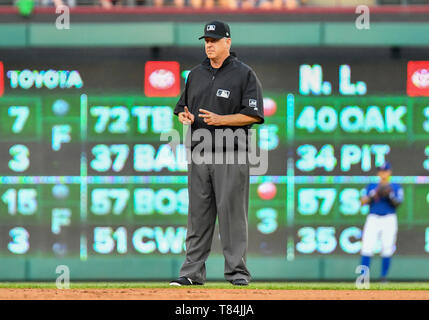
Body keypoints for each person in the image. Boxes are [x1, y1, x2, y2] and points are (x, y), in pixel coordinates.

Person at [169, 20, 264, 286]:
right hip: (199, 154)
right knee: (198, 216)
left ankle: (237, 273)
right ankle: (191, 273)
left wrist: (222, 120)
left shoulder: (244, 74)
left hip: (231, 153)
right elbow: (181, 109)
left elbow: (254, 115)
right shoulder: (196, 74)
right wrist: (184, 117)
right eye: (206, 41)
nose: (209, 45)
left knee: (232, 215)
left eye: (214, 41)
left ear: (227, 42)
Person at [359, 162, 403, 282]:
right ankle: (363, 277)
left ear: (389, 172)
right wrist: (373, 195)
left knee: (387, 247)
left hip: (389, 218)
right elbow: (362, 201)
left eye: (385, 171)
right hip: (373, 218)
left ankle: (383, 277)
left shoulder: (395, 186)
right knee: (367, 247)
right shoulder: (372, 186)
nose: (383, 173)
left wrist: (390, 196)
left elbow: (398, 203)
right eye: (381, 171)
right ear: (379, 173)